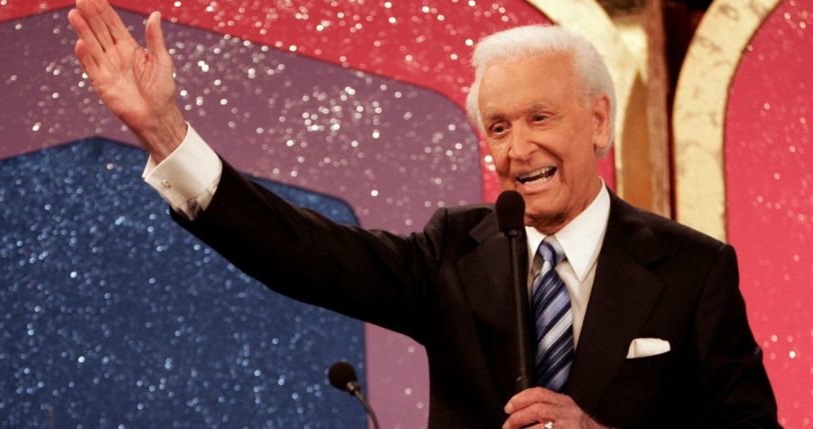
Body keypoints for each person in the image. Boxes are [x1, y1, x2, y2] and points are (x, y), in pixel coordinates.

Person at [68, 0, 780, 427]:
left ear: (597, 123)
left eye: (538, 117)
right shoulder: (455, 251)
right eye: (497, 127)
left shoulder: (692, 269)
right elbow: (300, 249)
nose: (517, 146)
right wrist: (165, 130)